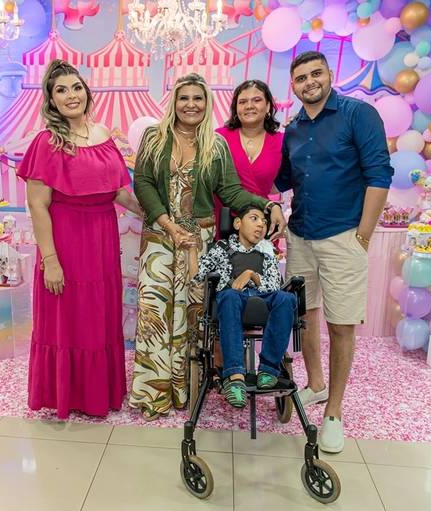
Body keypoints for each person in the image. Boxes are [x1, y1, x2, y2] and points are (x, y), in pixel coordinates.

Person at [129, 73, 287, 421]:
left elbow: (231, 192)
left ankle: (182, 390)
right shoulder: (154, 137)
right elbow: (142, 183)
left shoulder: (216, 146)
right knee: (155, 312)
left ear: (207, 103)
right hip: (160, 238)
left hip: (197, 242)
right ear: (174, 102)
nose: (191, 104)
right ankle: (153, 395)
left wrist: (267, 204)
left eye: (197, 98)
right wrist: (168, 225)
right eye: (184, 98)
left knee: (192, 314)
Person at [275, 51, 393, 453]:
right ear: (293, 86)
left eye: (316, 74)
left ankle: (334, 413)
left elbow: (379, 174)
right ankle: (316, 385)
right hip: (300, 235)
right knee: (304, 317)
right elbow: (281, 180)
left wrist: (363, 235)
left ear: (329, 74)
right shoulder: (293, 128)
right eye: (301, 78)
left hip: (343, 236)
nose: (309, 82)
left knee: (341, 325)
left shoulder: (358, 114)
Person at [18, 59, 141, 419]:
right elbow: (37, 205)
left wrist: (156, 215)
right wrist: (50, 260)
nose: (71, 95)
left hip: (102, 239)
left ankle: (97, 393)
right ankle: (66, 395)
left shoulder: (102, 135)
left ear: (87, 92)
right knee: (67, 318)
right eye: (61, 90)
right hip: (66, 240)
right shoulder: (46, 142)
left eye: (76, 87)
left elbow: (118, 192)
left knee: (97, 317)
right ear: (51, 100)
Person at [189, 204, 295, 408]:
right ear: (238, 223)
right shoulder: (221, 248)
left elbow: (274, 285)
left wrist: (250, 275)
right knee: (229, 295)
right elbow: (197, 276)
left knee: (287, 298)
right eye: (254, 219)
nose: (261, 225)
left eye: (264, 222)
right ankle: (235, 376)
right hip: (232, 298)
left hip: (263, 297)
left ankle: (268, 370)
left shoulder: (267, 249)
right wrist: (192, 248)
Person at [215, 79, 284, 231]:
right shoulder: (219, 137)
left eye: (257, 100)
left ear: (268, 106)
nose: (249, 106)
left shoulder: (281, 141)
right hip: (223, 221)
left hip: (261, 222)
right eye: (242, 102)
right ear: (236, 108)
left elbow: (289, 179)